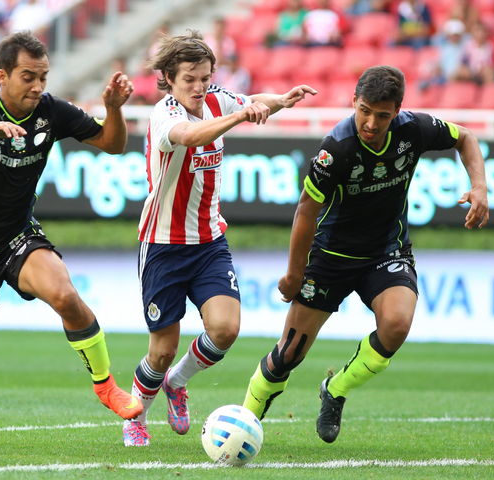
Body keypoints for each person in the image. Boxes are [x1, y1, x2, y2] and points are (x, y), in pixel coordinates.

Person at [242, 65, 489, 443]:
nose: (371, 123)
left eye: (382, 115)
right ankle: (244, 423)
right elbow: (306, 209)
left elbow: (466, 138)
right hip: (330, 258)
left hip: (386, 251)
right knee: (288, 354)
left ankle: (335, 389)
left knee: (396, 325)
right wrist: (294, 274)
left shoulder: (415, 130)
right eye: (364, 111)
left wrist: (479, 187)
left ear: (397, 111)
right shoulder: (336, 148)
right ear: (353, 102)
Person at [0, 31, 143, 446]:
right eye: (28, 77)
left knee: (64, 294)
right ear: (3, 75)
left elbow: (113, 144)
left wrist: (113, 111)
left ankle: (105, 386)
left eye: (43, 77)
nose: (37, 87)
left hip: (17, 236)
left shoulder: (51, 111)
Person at [124, 30, 316, 447]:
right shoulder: (164, 114)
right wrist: (240, 117)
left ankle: (176, 383)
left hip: (210, 241)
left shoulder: (216, 98)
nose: (199, 86)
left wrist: (279, 100)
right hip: (162, 245)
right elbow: (194, 136)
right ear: (170, 79)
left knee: (225, 330)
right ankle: (136, 414)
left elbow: (251, 101)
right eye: (190, 79)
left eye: (205, 78)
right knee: (161, 350)